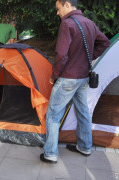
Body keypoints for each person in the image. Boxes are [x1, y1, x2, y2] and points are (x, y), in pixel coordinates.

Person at [40, 0, 110, 164]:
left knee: (53, 115)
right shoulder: (89, 23)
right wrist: (89, 58)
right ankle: (85, 147)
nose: (57, 13)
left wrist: (54, 75)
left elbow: (61, 55)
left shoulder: (67, 24)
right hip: (83, 77)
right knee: (83, 112)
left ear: (66, 5)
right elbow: (105, 42)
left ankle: (50, 153)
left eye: (58, 9)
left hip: (67, 78)